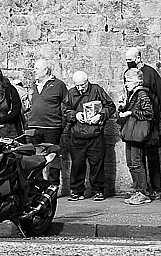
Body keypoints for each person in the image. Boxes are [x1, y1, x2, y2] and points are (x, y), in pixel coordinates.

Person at [64, 70, 115, 202]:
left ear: (87, 82)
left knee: (97, 164)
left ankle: (98, 190)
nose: (80, 88)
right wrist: (75, 115)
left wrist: (101, 115)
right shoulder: (70, 93)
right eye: (78, 86)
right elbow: (64, 110)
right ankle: (76, 190)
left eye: (83, 85)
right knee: (77, 164)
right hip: (77, 134)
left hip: (95, 134)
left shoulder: (97, 90)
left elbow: (110, 106)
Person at [126, 47, 161, 198]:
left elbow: (158, 95)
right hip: (138, 122)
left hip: (151, 122)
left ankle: (156, 189)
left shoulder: (150, 73)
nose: (128, 63)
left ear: (138, 58)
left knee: (152, 156)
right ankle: (143, 189)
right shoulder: (129, 74)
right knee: (137, 159)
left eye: (130, 60)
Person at [27, 59, 67, 188]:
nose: (34, 71)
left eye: (37, 68)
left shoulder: (59, 85)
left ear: (46, 70)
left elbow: (66, 106)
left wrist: (61, 125)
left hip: (51, 127)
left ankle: (53, 185)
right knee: (34, 158)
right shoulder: (32, 85)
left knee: (53, 157)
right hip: (33, 127)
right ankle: (37, 185)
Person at [119, 67, 155, 205]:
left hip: (137, 133)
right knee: (131, 163)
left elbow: (148, 113)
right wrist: (123, 106)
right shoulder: (132, 94)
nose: (126, 83)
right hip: (131, 133)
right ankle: (137, 191)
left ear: (138, 81)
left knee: (136, 163)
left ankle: (143, 193)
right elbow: (130, 109)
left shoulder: (142, 94)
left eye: (129, 80)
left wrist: (130, 113)